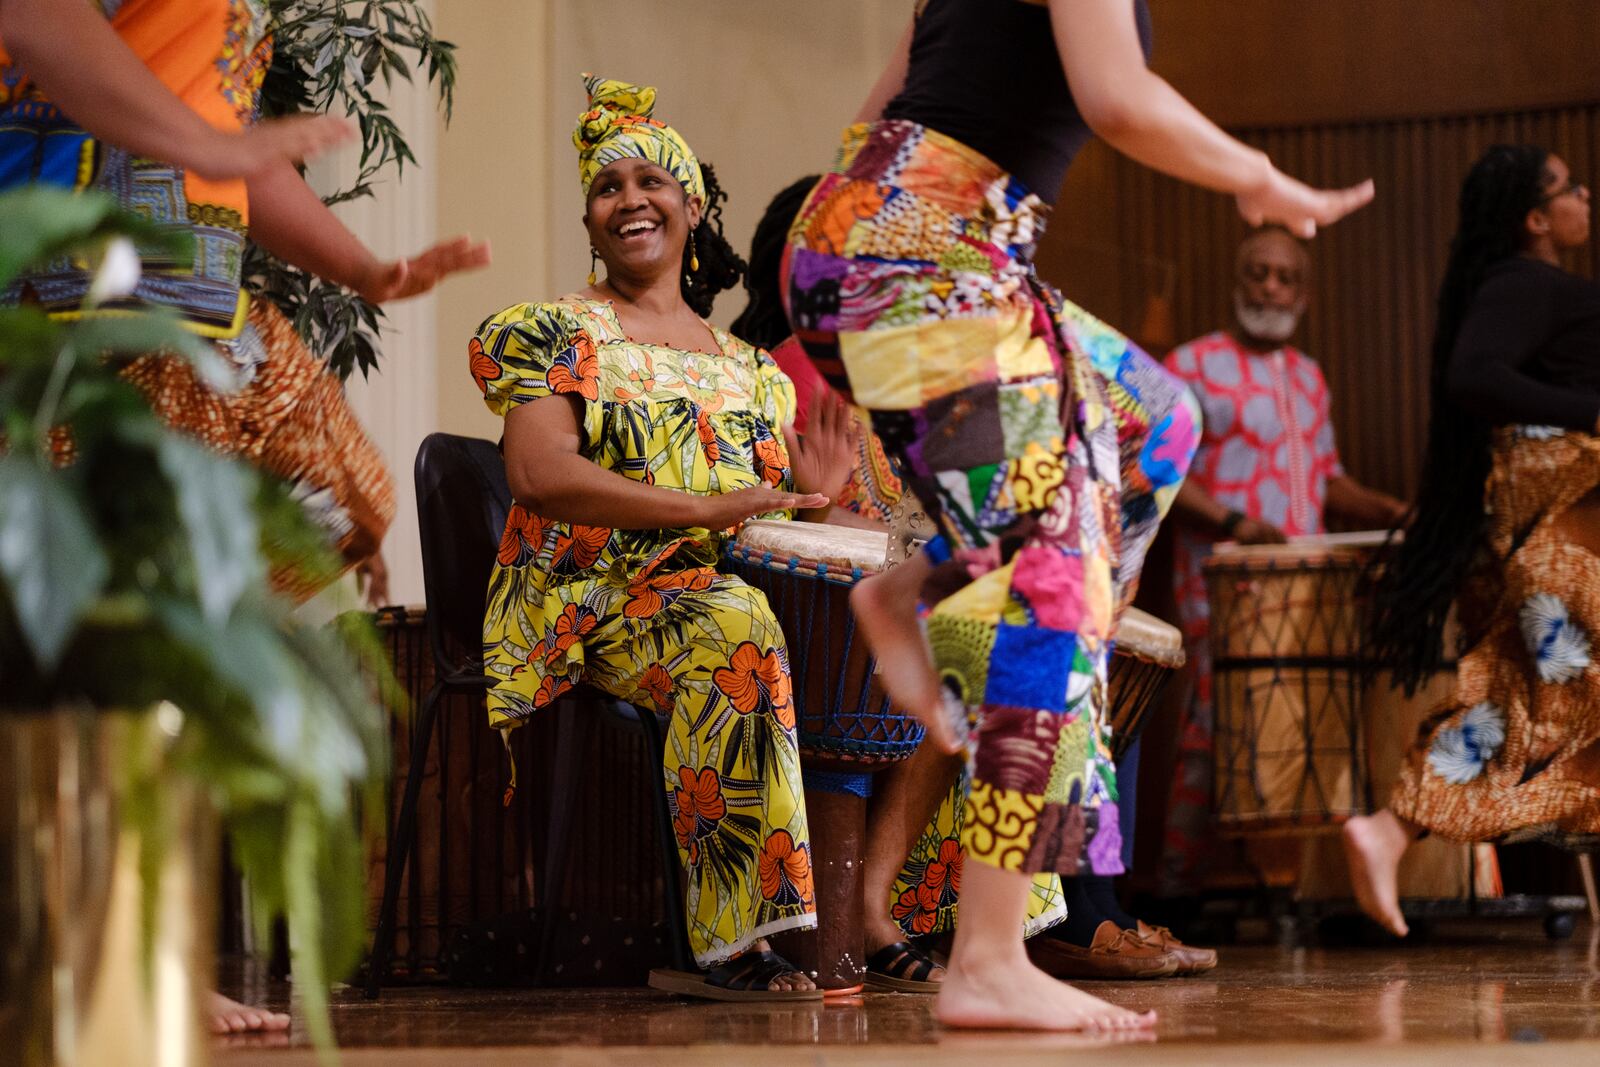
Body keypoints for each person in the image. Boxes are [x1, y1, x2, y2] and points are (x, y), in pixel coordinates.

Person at [782, 0, 1372, 1031]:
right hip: (923, 261)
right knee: (1055, 584)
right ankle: (988, 955)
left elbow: (881, 114)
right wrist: (1258, 177)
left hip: (894, 246)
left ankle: (918, 588)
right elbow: (1117, 99)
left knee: (1155, 424)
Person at [0, 0, 488, 1031]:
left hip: (182, 315)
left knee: (269, 548)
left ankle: (130, 934)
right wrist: (203, 140)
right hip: (69, 303)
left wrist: (363, 267)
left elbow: (225, 142)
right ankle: (102, 944)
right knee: (102, 635)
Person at [470, 74, 865, 1001]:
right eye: (608, 187)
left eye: (651, 181)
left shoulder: (755, 374)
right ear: (589, 218)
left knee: (908, 633)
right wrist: (706, 510)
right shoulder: (555, 333)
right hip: (587, 597)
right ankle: (732, 945)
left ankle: (903, 920)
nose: (629, 200)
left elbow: (770, 518)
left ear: (691, 205)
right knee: (734, 629)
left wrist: (813, 500)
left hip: (713, 583)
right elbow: (538, 476)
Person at [1348, 145, 1600, 937]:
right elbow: (1474, 374)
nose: (1584, 195)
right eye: (1567, 188)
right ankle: (1390, 827)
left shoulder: (1525, 286)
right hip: (1558, 526)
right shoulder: (1522, 282)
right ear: (1534, 217)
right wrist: (1587, 411)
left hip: (1563, 521)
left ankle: (1392, 828)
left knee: (1535, 698)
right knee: (1545, 698)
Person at [1160, 226, 1407, 893]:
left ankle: (1289, 880)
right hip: (1225, 577)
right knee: (1222, 717)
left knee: (1302, 723)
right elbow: (1158, 471)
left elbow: (1326, 477)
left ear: (1305, 292)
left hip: (1308, 583)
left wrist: (1390, 511)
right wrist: (1234, 520)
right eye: (1257, 273)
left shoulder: (1308, 375)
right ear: (1237, 282)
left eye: (1284, 277)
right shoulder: (1191, 365)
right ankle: (1180, 881)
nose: (1270, 286)